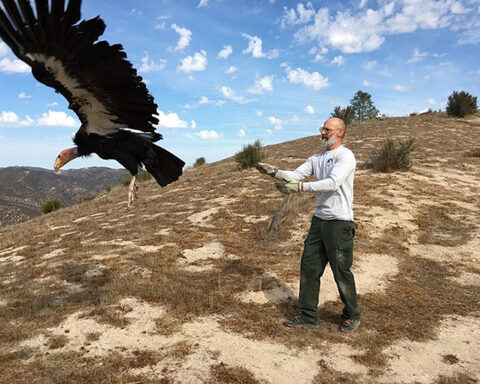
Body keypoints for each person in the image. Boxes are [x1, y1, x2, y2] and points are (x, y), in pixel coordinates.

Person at [256, 117, 360, 332]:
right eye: (322, 128)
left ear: (339, 133)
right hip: (319, 221)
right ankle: (308, 315)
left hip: (339, 223)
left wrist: (300, 188)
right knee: (309, 267)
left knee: (341, 270)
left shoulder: (345, 155)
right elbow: (295, 175)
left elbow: (332, 183)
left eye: (326, 129)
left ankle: (351, 314)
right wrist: (274, 172)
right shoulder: (316, 157)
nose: (322, 132)